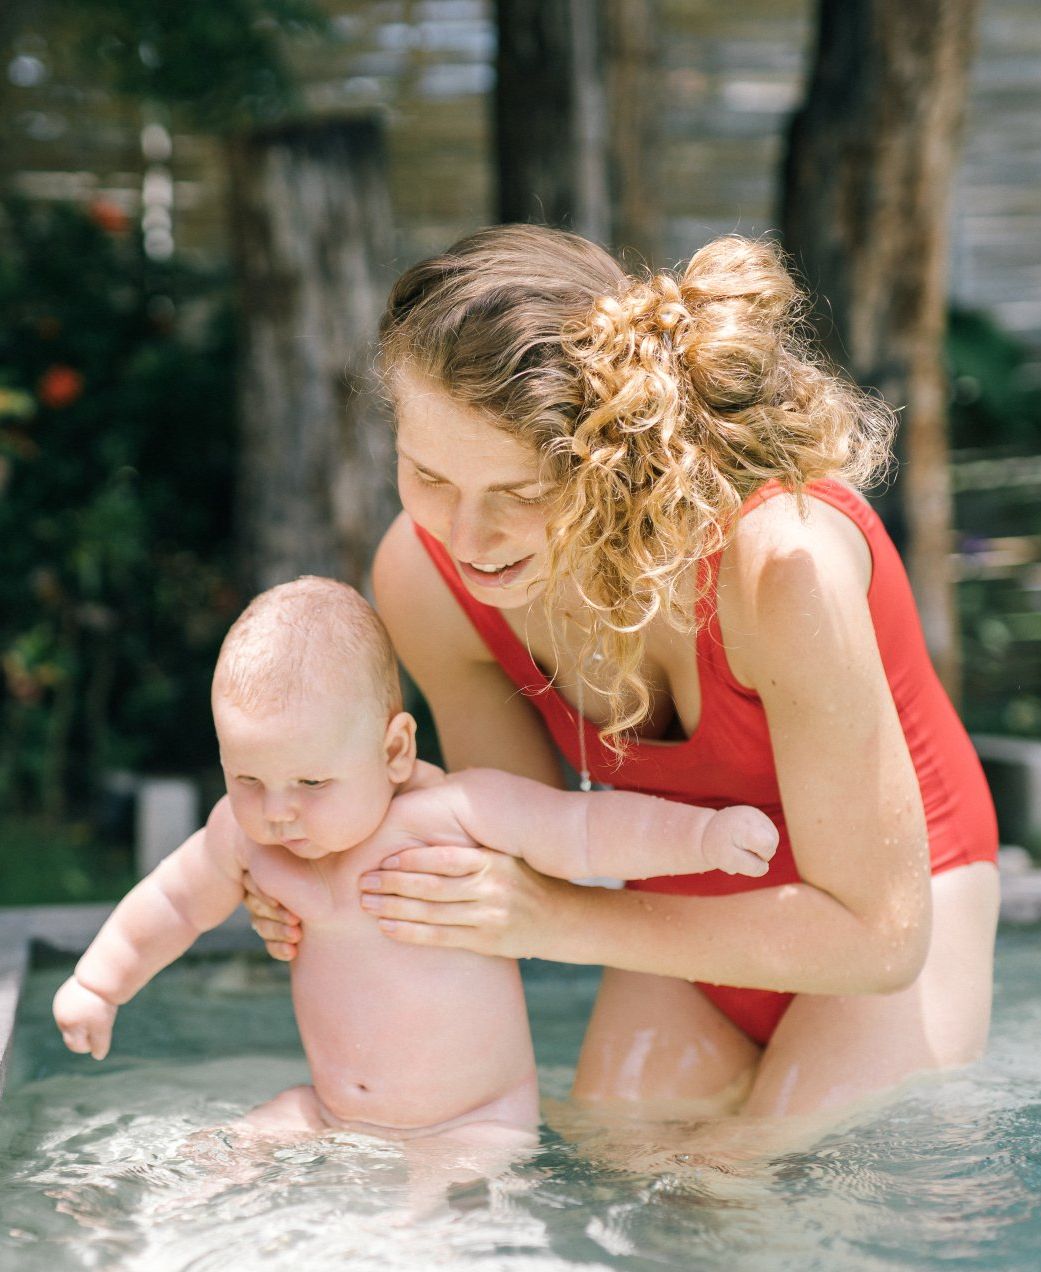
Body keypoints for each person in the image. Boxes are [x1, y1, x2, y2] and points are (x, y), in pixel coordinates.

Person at [245, 226, 1000, 1125]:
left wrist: (551, 922)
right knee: (627, 1191)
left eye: (522, 494)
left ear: (620, 461)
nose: (467, 536)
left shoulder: (781, 566)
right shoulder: (425, 578)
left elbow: (881, 939)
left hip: (890, 904)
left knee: (782, 1205)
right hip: (676, 906)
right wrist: (326, 867)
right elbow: (509, 842)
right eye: (428, 475)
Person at [52, 575, 777, 1147]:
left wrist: (702, 839)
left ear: (395, 751)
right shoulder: (246, 840)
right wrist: (99, 982)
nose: (278, 811)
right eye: (247, 780)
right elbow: (174, 903)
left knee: (439, 1232)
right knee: (220, 1155)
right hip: (332, 1114)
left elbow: (585, 830)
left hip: (476, 1123)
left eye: (310, 783)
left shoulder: (454, 816)